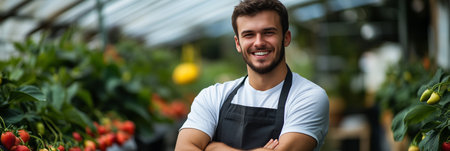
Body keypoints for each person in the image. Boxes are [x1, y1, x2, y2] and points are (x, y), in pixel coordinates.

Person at [175, 0, 329, 150]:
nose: (258, 42)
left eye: (268, 32)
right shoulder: (213, 96)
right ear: (238, 43)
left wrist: (215, 147)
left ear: (286, 37)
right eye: (249, 35)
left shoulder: (308, 96)